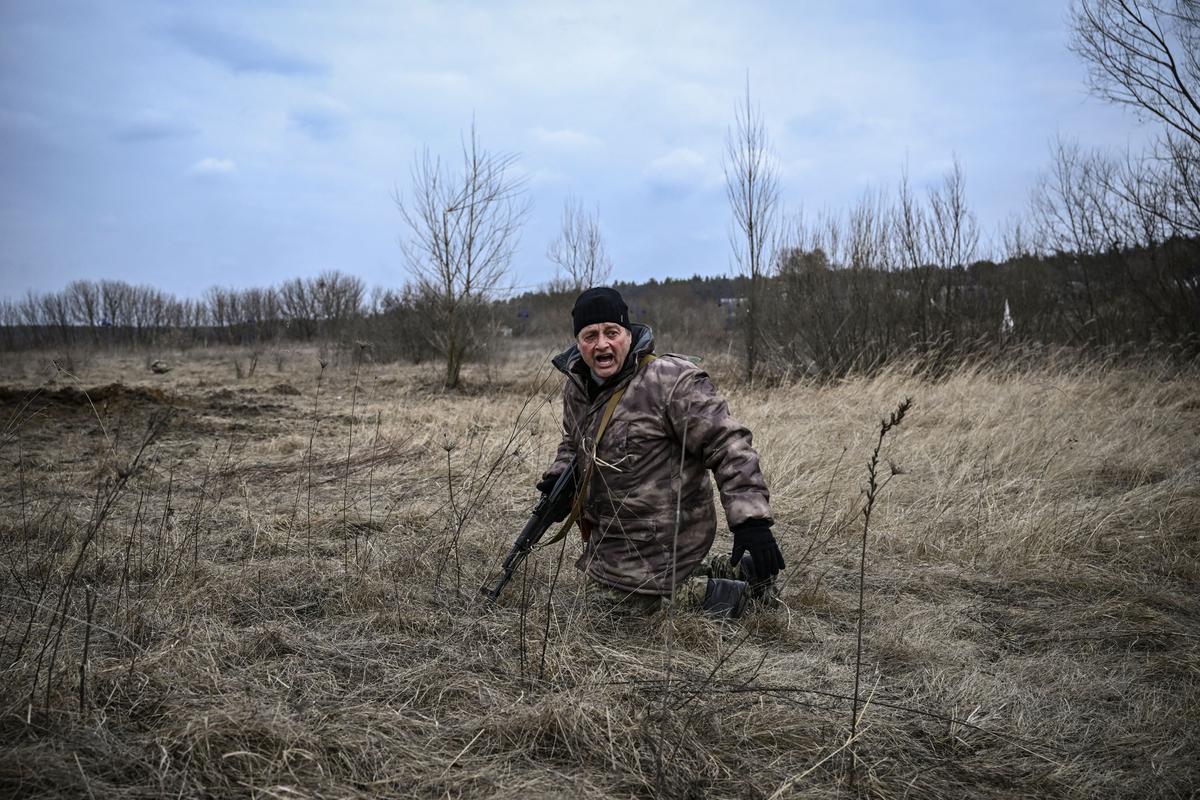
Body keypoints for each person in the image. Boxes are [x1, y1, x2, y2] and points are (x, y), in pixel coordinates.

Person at [538, 286, 785, 617]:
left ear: (628, 333)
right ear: (577, 341)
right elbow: (574, 440)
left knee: (613, 611)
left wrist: (751, 521)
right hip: (614, 536)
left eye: (612, 332)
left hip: (667, 536)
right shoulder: (578, 386)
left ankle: (735, 595)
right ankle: (744, 573)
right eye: (590, 335)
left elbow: (728, 443)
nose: (602, 344)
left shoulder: (669, 381)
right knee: (604, 595)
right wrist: (559, 477)